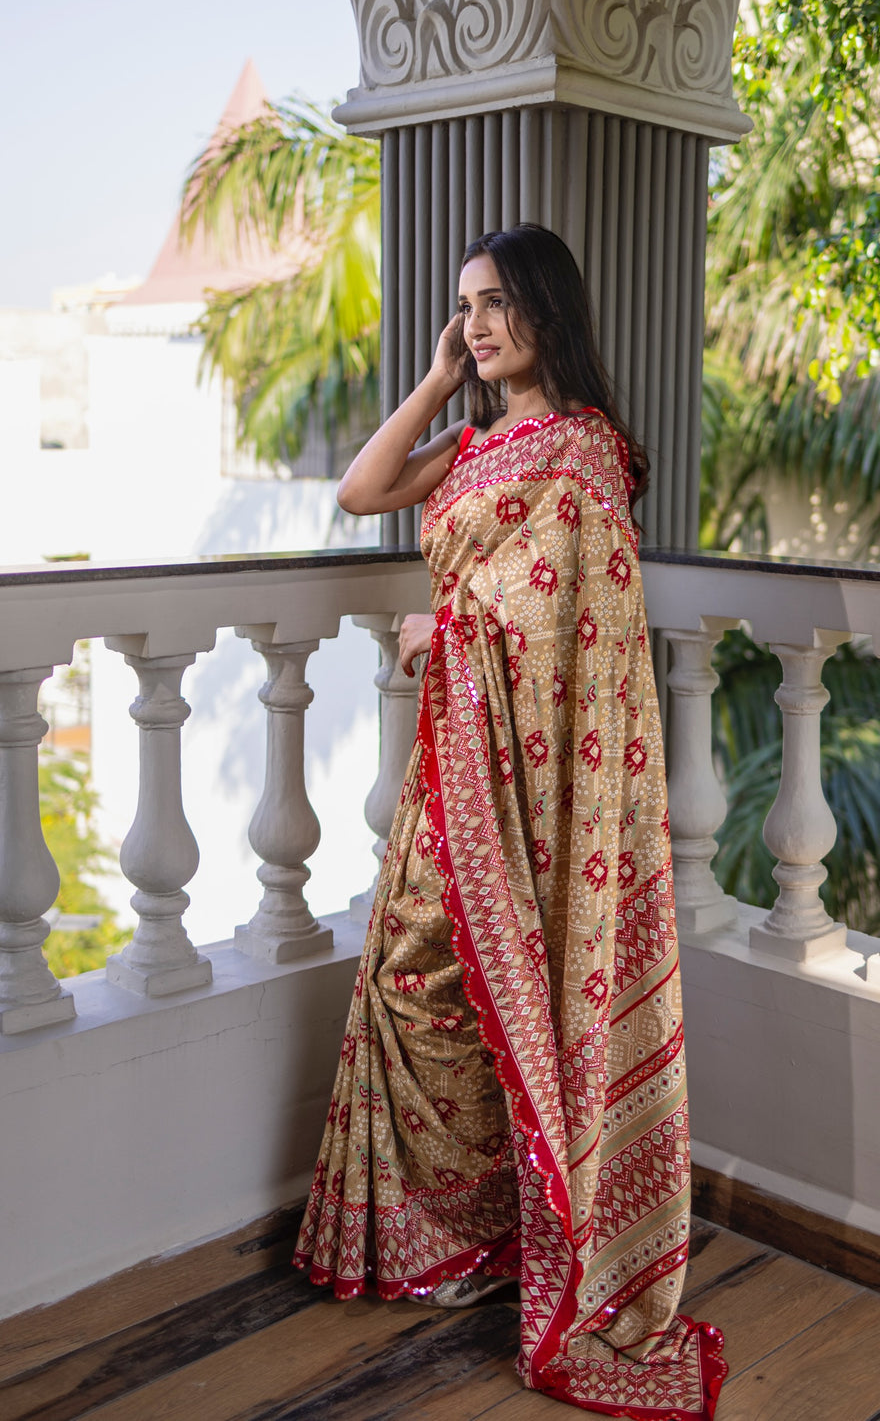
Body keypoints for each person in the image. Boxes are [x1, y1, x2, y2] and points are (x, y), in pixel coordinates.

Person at [293, 224, 726, 1419]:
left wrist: (461, 616)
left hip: (535, 789)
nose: (478, 324)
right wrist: (437, 379)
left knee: (471, 983)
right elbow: (360, 488)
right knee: (415, 976)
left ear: (547, 308)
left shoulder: (584, 452)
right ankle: (465, 1232)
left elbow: (567, 602)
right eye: (464, 308)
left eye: (493, 306)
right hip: (456, 769)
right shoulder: (475, 444)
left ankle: (517, 1232)